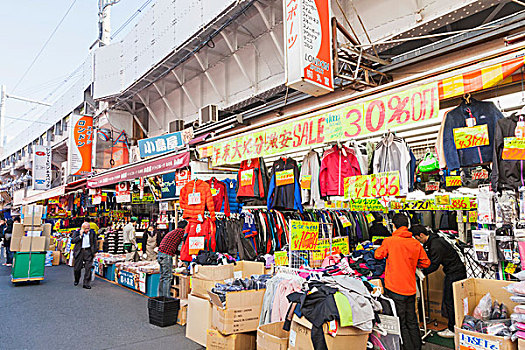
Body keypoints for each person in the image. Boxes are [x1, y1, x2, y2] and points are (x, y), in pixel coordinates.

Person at [375, 213, 430, 350]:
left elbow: (377, 255)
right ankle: (417, 346)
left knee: (401, 322)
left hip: (394, 288)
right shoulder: (415, 243)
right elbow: (426, 263)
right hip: (410, 288)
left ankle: (408, 347)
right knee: (411, 320)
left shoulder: (389, 241)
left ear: (393, 226)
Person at [412, 224, 467, 338]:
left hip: (454, 274)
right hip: (456, 271)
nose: (418, 241)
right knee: (452, 301)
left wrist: (421, 272)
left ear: (421, 235)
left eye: (417, 238)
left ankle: (452, 329)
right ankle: (455, 326)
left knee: (449, 301)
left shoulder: (435, 245)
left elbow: (434, 265)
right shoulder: (436, 239)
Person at [157, 221, 187, 297]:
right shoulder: (181, 232)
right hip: (166, 255)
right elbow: (184, 244)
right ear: (185, 227)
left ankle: (161, 296)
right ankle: (166, 298)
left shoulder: (174, 232)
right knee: (167, 277)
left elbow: (174, 246)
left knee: (163, 277)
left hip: (160, 254)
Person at [71, 222, 98, 289]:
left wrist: (95, 251)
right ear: (82, 228)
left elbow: (95, 242)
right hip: (80, 252)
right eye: (86, 229)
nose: (87, 230)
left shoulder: (92, 233)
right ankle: (76, 279)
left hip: (88, 251)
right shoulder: (76, 232)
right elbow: (73, 241)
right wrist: (80, 236)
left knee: (88, 268)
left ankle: (86, 283)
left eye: (88, 228)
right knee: (77, 268)